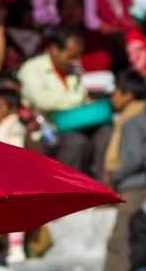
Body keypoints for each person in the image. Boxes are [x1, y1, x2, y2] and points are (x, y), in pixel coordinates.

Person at [99, 74, 146, 271]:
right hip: (139, 187)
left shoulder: (132, 122)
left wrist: (114, 175)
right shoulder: (140, 117)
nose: (113, 98)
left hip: (135, 188)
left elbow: (135, 158)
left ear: (128, 94)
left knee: (119, 240)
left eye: (116, 92)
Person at [17, 25, 99, 175]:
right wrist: (79, 99)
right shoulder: (32, 68)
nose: (76, 61)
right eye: (71, 56)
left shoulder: (72, 71)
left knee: (104, 131)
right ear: (54, 49)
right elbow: (42, 100)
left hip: (74, 124)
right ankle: (68, 188)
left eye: (78, 56)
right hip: (43, 132)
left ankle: (104, 184)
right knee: (76, 142)